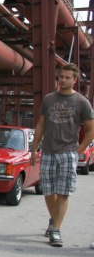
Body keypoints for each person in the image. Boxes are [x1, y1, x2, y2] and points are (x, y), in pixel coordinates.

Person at [30, 63, 94, 247]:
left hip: (68, 152)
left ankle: (56, 230)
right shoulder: (49, 99)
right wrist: (34, 149)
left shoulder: (82, 102)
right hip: (48, 151)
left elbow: (91, 131)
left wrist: (78, 152)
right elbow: (41, 125)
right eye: (61, 77)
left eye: (68, 77)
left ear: (75, 80)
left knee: (63, 192)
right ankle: (53, 220)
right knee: (48, 191)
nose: (63, 80)